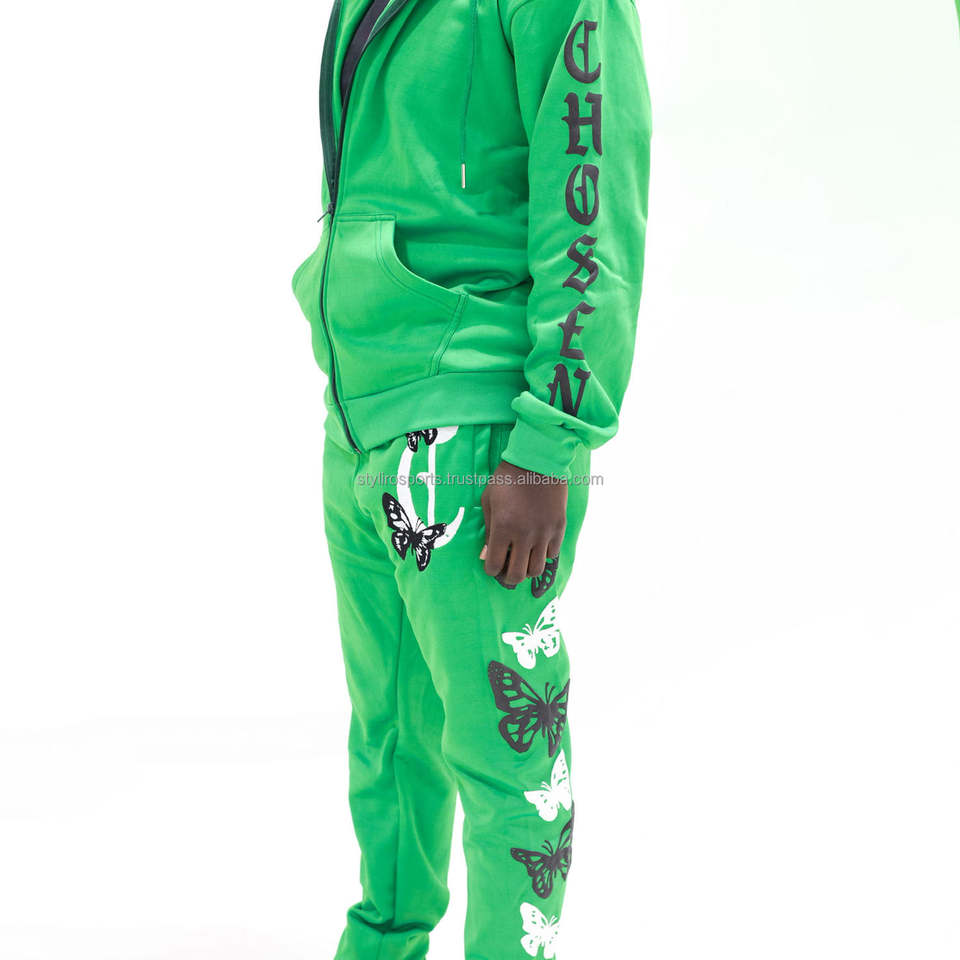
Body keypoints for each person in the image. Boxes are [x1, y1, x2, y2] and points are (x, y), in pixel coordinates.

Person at [292, 0, 651, 956]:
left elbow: (593, 205)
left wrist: (550, 441)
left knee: (506, 765)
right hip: (361, 409)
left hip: (474, 430)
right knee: (390, 740)